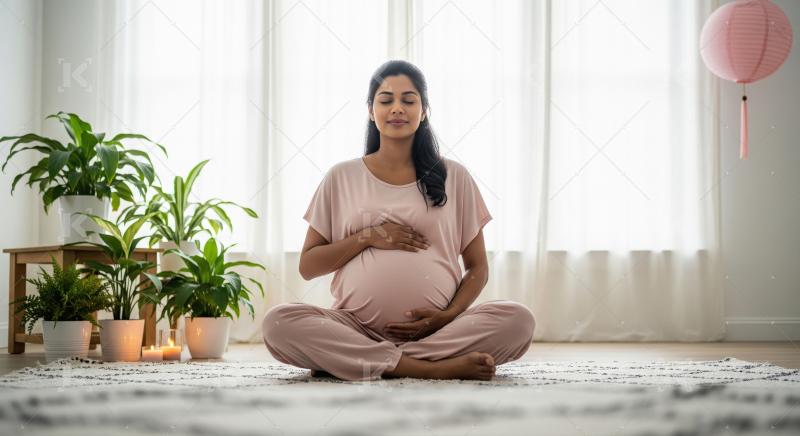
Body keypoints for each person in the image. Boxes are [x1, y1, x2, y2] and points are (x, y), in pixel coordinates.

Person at [262, 60, 535, 381]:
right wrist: (367, 237)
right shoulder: (341, 177)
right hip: (354, 327)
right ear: (369, 110)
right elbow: (308, 266)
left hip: (437, 332)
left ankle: (353, 360)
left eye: (409, 100)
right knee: (278, 323)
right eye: (385, 99)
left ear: (424, 111)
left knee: (518, 320)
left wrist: (446, 317)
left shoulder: (455, 177)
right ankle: (426, 368)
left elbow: (478, 267)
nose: (397, 109)